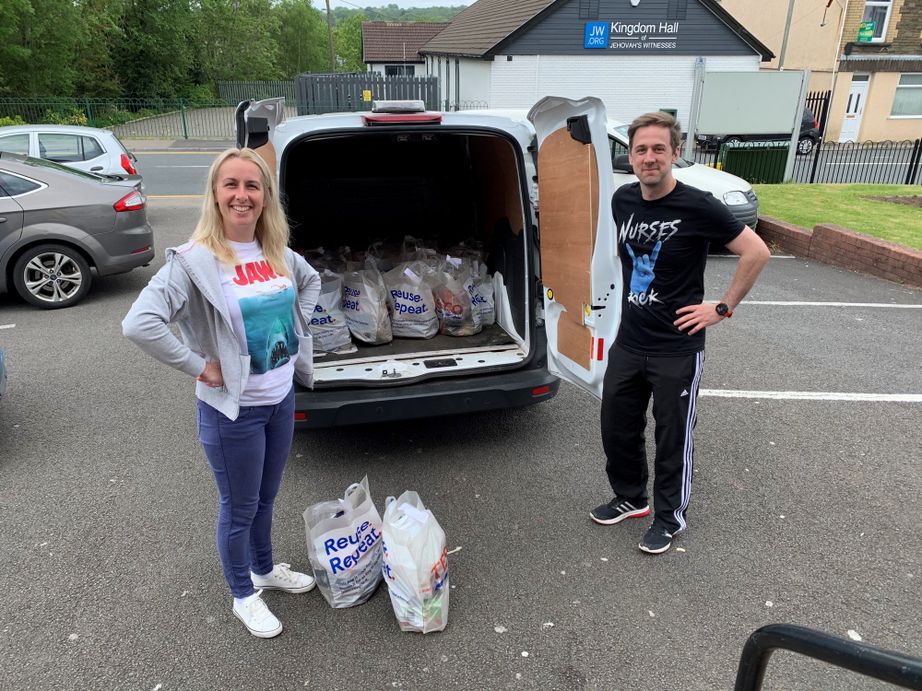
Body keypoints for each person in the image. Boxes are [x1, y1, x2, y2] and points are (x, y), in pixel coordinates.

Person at [123, 148, 321, 636]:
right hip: (234, 413)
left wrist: (297, 331)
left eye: (252, 186)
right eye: (231, 184)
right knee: (239, 508)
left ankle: (264, 568)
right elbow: (139, 323)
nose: (242, 195)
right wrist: (197, 366)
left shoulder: (276, 250)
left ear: (265, 196)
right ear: (215, 193)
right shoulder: (195, 262)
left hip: (280, 399)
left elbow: (311, 281)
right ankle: (242, 594)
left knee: (267, 497)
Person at [590, 112, 770, 555]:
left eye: (658, 149)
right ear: (630, 156)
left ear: (673, 153)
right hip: (629, 340)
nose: (649, 158)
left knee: (672, 437)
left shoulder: (699, 205)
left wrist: (722, 308)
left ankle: (669, 517)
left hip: (676, 346)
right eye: (640, 150)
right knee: (617, 426)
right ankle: (631, 496)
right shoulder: (623, 201)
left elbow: (756, 251)